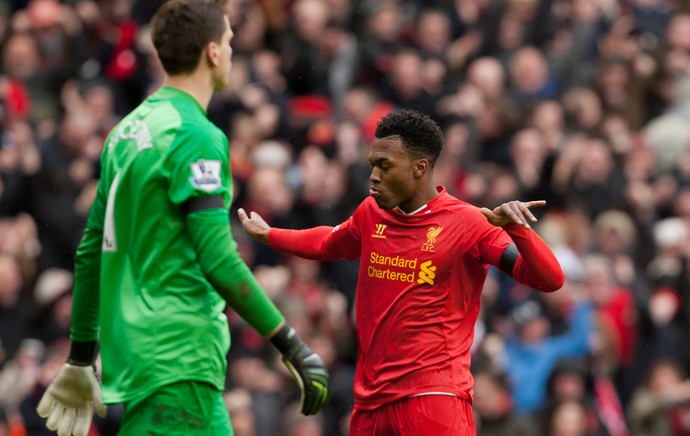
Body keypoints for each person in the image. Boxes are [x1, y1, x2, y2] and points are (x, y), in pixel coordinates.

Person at [35, 1, 330, 435]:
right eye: (229, 42)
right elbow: (218, 258)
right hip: (177, 354)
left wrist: (81, 357)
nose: (232, 52)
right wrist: (291, 344)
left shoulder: (127, 132)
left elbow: (90, 251)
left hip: (156, 358)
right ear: (213, 52)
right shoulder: (195, 135)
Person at [239, 109, 565, 435]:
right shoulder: (370, 214)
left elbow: (548, 280)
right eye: (372, 165)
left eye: (385, 166)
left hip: (433, 398)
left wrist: (519, 231)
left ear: (419, 168)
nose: (374, 176)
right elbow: (327, 241)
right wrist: (270, 234)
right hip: (371, 402)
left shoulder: (469, 223)